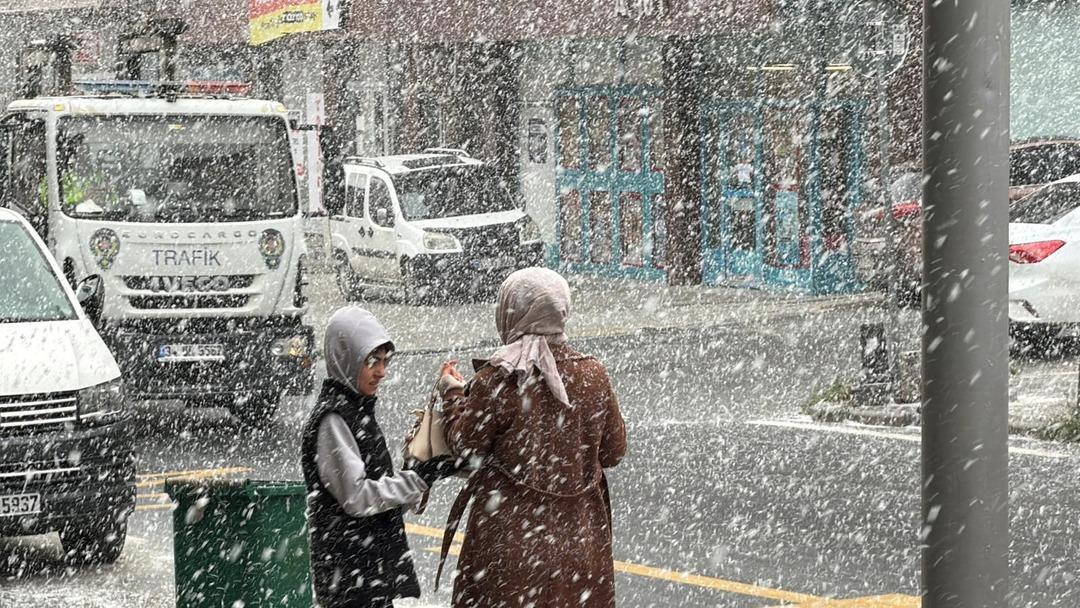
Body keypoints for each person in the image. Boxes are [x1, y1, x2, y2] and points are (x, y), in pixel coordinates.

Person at [433, 267, 628, 608]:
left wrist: (453, 398)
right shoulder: (593, 373)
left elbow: (465, 449)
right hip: (580, 543)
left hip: (509, 547)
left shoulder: (499, 378)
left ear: (510, 311)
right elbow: (613, 451)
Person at [300, 306, 455, 608]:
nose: (381, 372)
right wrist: (418, 478)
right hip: (348, 574)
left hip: (367, 571)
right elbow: (357, 497)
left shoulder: (357, 410)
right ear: (346, 358)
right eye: (371, 361)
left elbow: (380, 489)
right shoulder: (334, 419)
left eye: (384, 361)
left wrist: (419, 473)